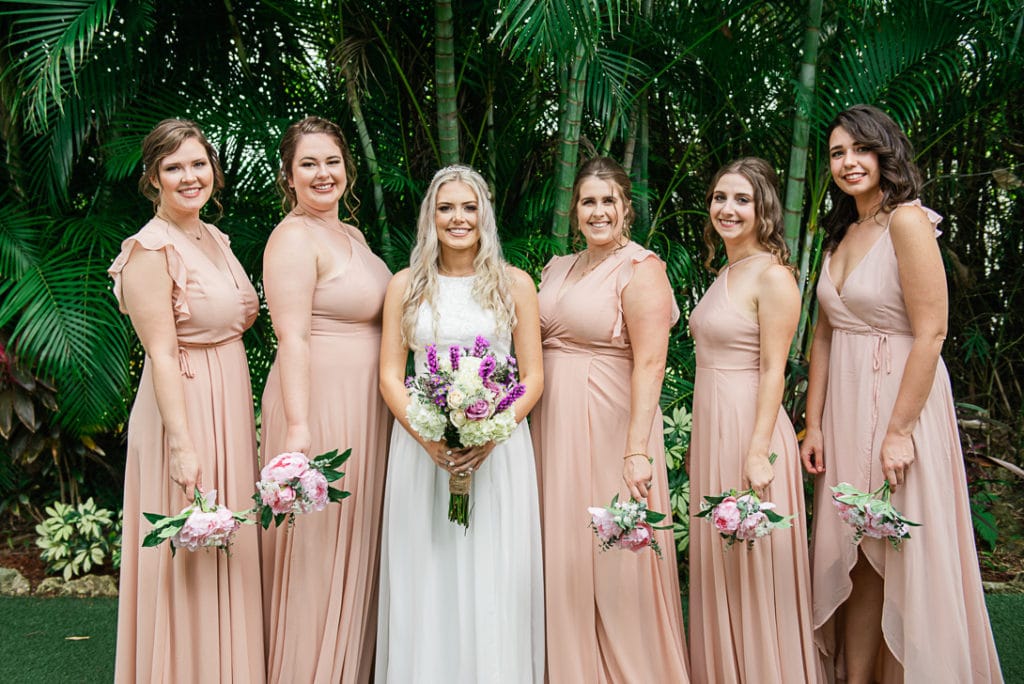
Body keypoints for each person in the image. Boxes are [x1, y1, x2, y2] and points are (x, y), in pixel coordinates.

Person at [801, 104, 1003, 682]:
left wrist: (899, 431)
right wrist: (813, 424)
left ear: (884, 153)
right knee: (857, 553)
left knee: (902, 549)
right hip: (844, 404)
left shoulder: (908, 223)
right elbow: (823, 334)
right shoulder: (842, 231)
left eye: (859, 149)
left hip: (900, 401)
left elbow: (932, 329)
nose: (848, 162)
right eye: (837, 153)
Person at [375, 165, 545, 682]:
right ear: (431, 216)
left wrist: (489, 435)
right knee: (425, 572)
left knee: (494, 576)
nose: (458, 218)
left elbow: (533, 377)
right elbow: (389, 374)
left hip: (498, 451)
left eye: (469, 208)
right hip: (420, 448)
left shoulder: (515, 285)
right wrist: (429, 439)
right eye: (446, 208)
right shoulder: (404, 286)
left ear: (484, 215)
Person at [109, 119, 264, 682]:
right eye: (174, 167)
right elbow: (159, 353)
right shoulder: (149, 250)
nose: (189, 176)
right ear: (153, 178)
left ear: (213, 171)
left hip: (226, 394)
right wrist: (181, 444)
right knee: (190, 544)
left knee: (227, 543)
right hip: (185, 406)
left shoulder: (212, 237)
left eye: (198, 164)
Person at [531, 156, 689, 682]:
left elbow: (650, 362)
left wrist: (637, 448)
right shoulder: (556, 267)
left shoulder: (642, 269)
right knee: (564, 552)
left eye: (608, 201)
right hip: (551, 428)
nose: (598, 211)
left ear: (627, 210)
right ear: (574, 210)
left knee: (612, 553)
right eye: (588, 201)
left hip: (609, 424)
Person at [260, 116, 392, 683]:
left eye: (332, 162)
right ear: (289, 175)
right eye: (308, 163)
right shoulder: (292, 237)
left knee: (355, 542)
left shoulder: (352, 234)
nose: (322, 173)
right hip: (318, 405)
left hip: (367, 407)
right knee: (316, 548)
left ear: (347, 169)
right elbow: (292, 335)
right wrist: (298, 430)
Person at [687, 158, 820, 683]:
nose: (728, 208)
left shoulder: (773, 276)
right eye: (721, 197)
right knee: (722, 564)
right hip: (713, 424)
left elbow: (774, 371)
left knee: (753, 567)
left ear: (763, 209)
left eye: (741, 199)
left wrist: (758, 450)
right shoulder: (725, 270)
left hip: (750, 429)